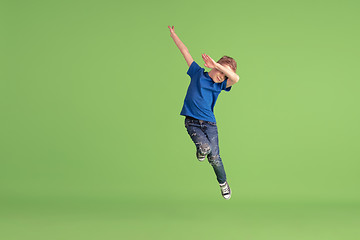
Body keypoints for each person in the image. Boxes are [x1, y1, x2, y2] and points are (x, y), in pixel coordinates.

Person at [168, 26, 240, 200]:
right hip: (192, 122)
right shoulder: (197, 73)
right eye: (221, 72)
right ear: (215, 67)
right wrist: (174, 35)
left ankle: (223, 183)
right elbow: (184, 51)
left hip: (210, 125)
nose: (222, 77)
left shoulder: (220, 85)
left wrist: (217, 66)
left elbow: (236, 79)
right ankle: (201, 150)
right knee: (206, 149)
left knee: (215, 157)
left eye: (225, 75)